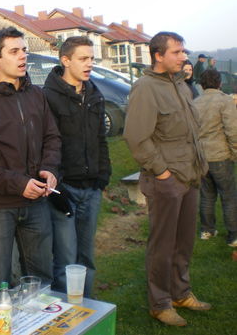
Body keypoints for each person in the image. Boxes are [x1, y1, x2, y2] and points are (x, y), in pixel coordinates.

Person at [0, 27, 61, 305]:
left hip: (37, 202)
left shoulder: (36, 96)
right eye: (14, 51)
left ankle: (43, 325)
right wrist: (18, 184)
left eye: (24, 50)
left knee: (41, 276)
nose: (23, 57)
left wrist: (50, 169)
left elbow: (52, 137)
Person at [123, 31, 210, 327]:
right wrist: (163, 173)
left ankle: (180, 292)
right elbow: (136, 137)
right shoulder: (146, 88)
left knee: (184, 242)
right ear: (158, 56)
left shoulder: (181, 85)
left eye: (183, 51)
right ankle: (160, 303)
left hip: (190, 177)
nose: (184, 57)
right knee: (163, 245)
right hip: (166, 182)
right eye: (176, 52)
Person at [42, 36, 111, 297]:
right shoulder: (48, 97)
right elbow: (46, 145)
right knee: (66, 260)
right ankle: (67, 318)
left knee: (87, 258)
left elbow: (100, 139)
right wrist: (57, 187)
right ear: (66, 60)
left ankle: (89, 312)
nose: (89, 64)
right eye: (83, 59)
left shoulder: (94, 94)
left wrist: (102, 177)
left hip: (91, 189)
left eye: (92, 58)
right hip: (64, 190)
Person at [192, 69, 237, 246]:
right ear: (219, 82)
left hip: (202, 157)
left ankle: (206, 230)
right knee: (228, 195)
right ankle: (233, 235)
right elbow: (233, 131)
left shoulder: (194, 103)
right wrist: (234, 153)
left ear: (201, 84)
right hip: (221, 156)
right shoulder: (225, 101)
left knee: (207, 195)